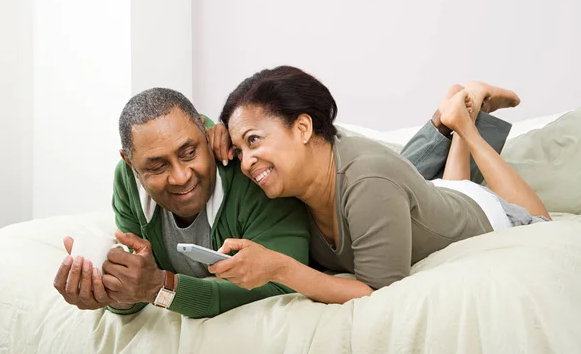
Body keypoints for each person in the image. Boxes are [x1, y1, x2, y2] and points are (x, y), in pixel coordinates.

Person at [207, 66, 550, 305]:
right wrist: (215, 132)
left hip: (483, 212)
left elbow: (379, 294)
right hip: (432, 198)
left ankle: (465, 125)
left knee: (542, 223)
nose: (246, 162)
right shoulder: (297, 181)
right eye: (238, 151)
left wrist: (281, 268)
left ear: (302, 129)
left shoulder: (367, 181)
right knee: (418, 178)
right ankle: (453, 117)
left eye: (253, 141)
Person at [53, 87, 310, 318]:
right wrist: (113, 292)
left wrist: (161, 287)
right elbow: (139, 289)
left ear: (205, 133)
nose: (180, 176)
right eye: (156, 166)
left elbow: (283, 283)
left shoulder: (252, 173)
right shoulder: (127, 180)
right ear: (131, 164)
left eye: (189, 153)